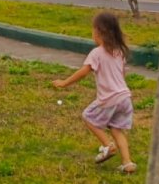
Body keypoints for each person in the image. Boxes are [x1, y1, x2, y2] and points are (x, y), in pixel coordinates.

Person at [52, 11, 136, 174]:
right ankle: (128, 163)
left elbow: (84, 72)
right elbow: (122, 74)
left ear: (99, 32)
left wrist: (64, 83)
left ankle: (107, 145)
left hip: (109, 98)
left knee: (88, 116)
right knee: (117, 129)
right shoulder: (119, 51)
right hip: (125, 97)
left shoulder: (97, 53)